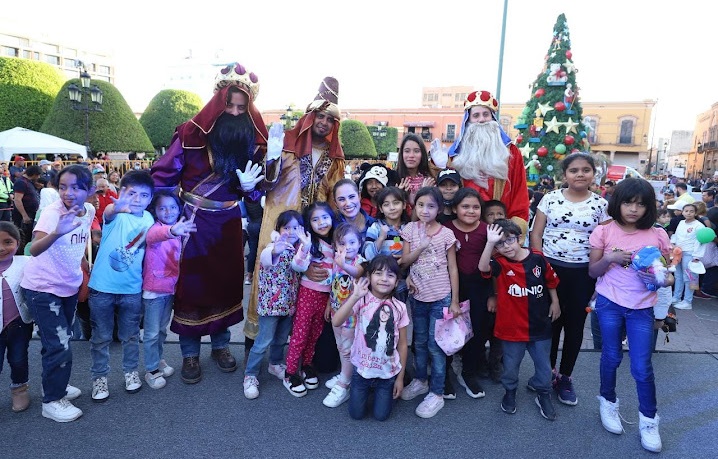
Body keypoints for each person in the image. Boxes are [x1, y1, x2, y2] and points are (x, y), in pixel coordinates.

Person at [151, 62, 279, 384]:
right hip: (192, 223)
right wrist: (171, 215)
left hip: (227, 225)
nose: (236, 113)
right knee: (191, 289)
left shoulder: (252, 142)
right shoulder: (188, 134)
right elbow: (163, 177)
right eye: (230, 105)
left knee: (225, 284)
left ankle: (221, 346)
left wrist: (252, 189)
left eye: (242, 107)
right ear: (219, 102)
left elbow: (253, 197)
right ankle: (190, 353)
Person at [244, 76, 345, 354]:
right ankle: (254, 346)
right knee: (270, 279)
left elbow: (335, 195)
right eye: (319, 116)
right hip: (280, 223)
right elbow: (265, 184)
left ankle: (293, 351)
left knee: (307, 282)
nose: (323, 122)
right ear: (309, 116)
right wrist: (272, 159)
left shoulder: (335, 156)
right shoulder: (284, 142)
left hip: (313, 228)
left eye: (329, 119)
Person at [588, 178, 672, 453]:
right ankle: (608, 402)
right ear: (617, 203)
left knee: (642, 367)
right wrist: (611, 259)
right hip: (610, 303)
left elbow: (665, 273)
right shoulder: (604, 231)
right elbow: (593, 271)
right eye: (628, 202)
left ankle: (649, 420)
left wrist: (664, 278)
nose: (634, 209)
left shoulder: (657, 234)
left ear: (649, 207)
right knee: (610, 357)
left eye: (640, 204)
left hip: (642, 308)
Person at [530, 152, 610, 406]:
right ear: (564, 175)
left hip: (583, 273)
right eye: (574, 170)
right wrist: (540, 267)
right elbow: (536, 234)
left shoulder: (600, 205)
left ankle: (565, 377)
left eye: (585, 170)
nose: (580, 174)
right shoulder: (550, 199)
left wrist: (600, 276)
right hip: (551, 269)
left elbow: (607, 241)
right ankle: (547, 373)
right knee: (550, 325)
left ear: (593, 174)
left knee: (575, 327)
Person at [20, 165, 95, 422]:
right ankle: (52, 400)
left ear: (89, 190)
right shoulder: (53, 214)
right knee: (59, 344)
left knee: (58, 343)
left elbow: (80, 241)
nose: (68, 193)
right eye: (63, 187)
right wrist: (56, 233)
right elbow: (34, 249)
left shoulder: (90, 210)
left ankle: (53, 384)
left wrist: (84, 265)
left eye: (76, 187)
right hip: (43, 288)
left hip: (68, 286)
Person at [480, 219, 560, 421]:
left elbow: (551, 281)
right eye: (500, 243)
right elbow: (482, 268)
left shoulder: (538, 259)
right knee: (511, 364)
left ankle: (543, 392)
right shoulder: (498, 263)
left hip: (540, 325)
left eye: (510, 240)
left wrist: (555, 302)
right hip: (511, 328)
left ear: (520, 239)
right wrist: (490, 243)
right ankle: (510, 391)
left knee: (544, 364)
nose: (505, 247)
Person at [88, 170, 155, 401]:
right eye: (131, 193)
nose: (137, 199)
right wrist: (117, 207)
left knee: (131, 335)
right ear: (121, 192)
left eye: (144, 195)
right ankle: (99, 378)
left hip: (131, 289)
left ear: (150, 198)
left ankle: (130, 372)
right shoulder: (116, 213)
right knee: (101, 336)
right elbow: (108, 213)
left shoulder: (149, 219)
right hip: (102, 288)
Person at [432, 90, 529, 237]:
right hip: (463, 229)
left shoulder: (511, 152)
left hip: (500, 229)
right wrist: (438, 166)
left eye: (486, 114)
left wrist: (514, 226)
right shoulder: (455, 154)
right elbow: (444, 187)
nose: (481, 120)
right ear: (468, 120)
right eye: (476, 115)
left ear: (493, 118)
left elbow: (519, 191)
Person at [399, 186, 460, 419]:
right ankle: (420, 381)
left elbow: (453, 268)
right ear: (415, 207)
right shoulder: (410, 229)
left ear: (439, 209)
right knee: (420, 342)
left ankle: (437, 392)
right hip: (418, 297)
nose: (425, 210)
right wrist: (420, 247)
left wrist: (454, 300)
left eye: (431, 206)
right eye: (421, 205)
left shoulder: (446, 234)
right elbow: (404, 262)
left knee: (437, 347)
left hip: (441, 297)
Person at [332, 256, 409, 421]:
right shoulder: (362, 299)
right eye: (378, 273)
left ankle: (402, 378)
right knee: (356, 414)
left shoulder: (400, 307)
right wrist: (355, 296)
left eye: (390, 275)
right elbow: (336, 321)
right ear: (369, 278)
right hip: (361, 371)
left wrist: (400, 379)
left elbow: (402, 344)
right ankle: (364, 391)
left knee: (381, 416)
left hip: (387, 373)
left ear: (396, 282)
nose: (384, 279)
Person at [243, 210, 303, 399]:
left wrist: (306, 247)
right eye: (287, 227)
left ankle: (275, 363)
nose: (291, 232)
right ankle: (250, 375)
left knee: (280, 338)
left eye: (296, 227)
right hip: (270, 306)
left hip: (288, 304)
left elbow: (300, 267)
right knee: (263, 341)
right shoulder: (272, 246)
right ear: (278, 229)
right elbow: (266, 259)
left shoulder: (299, 249)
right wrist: (276, 249)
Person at [142, 191, 197, 390]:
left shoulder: (179, 229)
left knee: (161, 331)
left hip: (169, 290)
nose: (168, 211)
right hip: (154, 291)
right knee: (151, 333)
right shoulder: (157, 229)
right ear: (155, 210)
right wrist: (173, 230)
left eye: (172, 207)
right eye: (162, 207)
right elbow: (153, 236)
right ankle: (151, 369)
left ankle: (157, 360)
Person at [283, 202, 335, 397]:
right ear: (309, 224)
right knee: (300, 334)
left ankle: (306, 365)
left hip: (325, 296)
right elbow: (297, 265)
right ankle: (290, 373)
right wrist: (305, 248)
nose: (321, 223)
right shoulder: (309, 242)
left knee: (315, 333)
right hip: (308, 294)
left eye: (325, 217)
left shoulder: (336, 243)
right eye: (315, 219)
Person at [443, 188, 492, 397]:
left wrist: (493, 294)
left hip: (479, 288)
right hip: (448, 286)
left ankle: (468, 372)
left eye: (475, 207)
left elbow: (497, 262)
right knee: (446, 330)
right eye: (465, 206)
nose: (471, 211)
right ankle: (443, 374)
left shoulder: (488, 230)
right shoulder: (444, 229)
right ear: (455, 208)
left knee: (477, 331)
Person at [322, 223, 365, 408]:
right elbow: (334, 286)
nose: (348, 247)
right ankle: (345, 374)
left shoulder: (359, 261)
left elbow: (358, 273)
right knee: (341, 347)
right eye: (342, 244)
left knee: (347, 350)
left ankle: (344, 384)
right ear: (335, 246)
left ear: (360, 242)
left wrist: (344, 265)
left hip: (352, 317)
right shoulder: (336, 262)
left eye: (352, 242)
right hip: (335, 312)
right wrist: (328, 305)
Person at [0, 223, 31, 412]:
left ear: (18, 243)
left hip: (19, 323)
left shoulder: (26, 262)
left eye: (8, 242)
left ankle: (20, 389)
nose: (1, 248)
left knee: (18, 358)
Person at [363, 186, 409, 301]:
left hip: (401, 278)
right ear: (381, 208)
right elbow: (368, 256)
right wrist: (381, 238)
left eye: (396, 203)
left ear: (404, 205)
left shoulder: (408, 228)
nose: (392, 208)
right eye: (386, 204)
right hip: (379, 279)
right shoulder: (376, 228)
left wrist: (403, 258)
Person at [670, 203, 705, 310]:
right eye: (686, 211)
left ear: (695, 213)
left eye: (691, 211)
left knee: (690, 278)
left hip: (690, 254)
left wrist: (696, 257)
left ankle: (687, 301)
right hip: (678, 253)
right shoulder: (681, 222)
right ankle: (676, 297)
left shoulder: (699, 226)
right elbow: (676, 235)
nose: (688, 213)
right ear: (682, 212)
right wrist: (673, 244)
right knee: (678, 276)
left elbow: (701, 242)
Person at [396, 133, 435, 215]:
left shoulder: (429, 180)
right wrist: (398, 195)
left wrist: (425, 192)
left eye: (416, 151)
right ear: (401, 154)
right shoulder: (394, 179)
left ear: (422, 154)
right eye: (407, 151)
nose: (411, 155)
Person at [12, 165, 41, 242]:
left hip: (30, 213)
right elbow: (17, 200)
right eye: (38, 175)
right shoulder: (21, 182)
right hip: (23, 216)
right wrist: (24, 215)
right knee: (23, 237)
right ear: (34, 174)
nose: (38, 177)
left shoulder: (28, 182)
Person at [243, 198, 264, 285]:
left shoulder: (245, 197)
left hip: (250, 225)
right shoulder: (263, 197)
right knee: (263, 249)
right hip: (261, 226)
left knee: (252, 251)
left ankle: (249, 275)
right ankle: (260, 275)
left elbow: (244, 213)